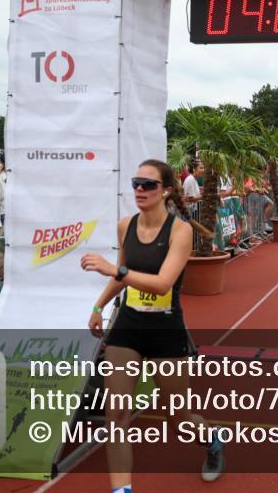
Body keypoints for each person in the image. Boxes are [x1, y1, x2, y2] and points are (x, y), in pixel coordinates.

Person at [81, 160, 224, 488]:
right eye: (136, 184)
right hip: (128, 326)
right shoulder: (125, 225)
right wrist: (97, 306)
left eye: (149, 185)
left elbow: (162, 283)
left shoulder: (180, 231)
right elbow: (124, 273)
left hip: (165, 329)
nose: (140, 190)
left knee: (179, 421)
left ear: (167, 191)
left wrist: (115, 271)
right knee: (115, 416)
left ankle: (212, 438)